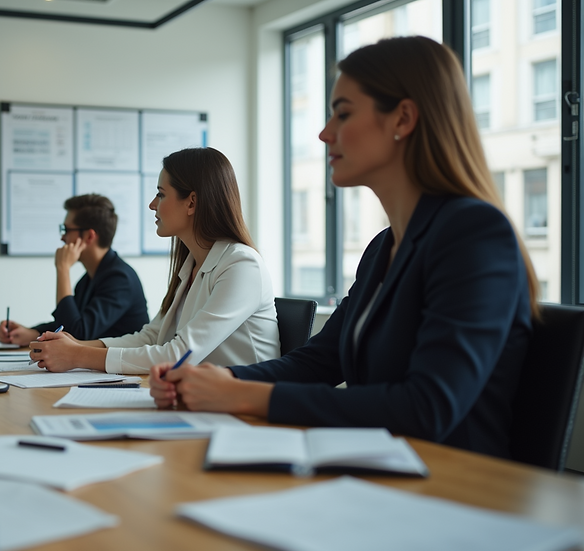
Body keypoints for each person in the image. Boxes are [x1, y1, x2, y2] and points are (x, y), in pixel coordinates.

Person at [149, 36, 538, 460]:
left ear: (403, 118)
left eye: (343, 113)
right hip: (378, 469)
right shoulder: (383, 248)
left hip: (456, 489)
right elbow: (317, 362)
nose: (324, 133)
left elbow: (427, 407)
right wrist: (212, 380)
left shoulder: (474, 234)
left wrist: (243, 396)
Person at [29, 148, 280, 375]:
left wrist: (78, 355)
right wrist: (75, 346)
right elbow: (152, 337)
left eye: (161, 194)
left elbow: (178, 355)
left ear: (191, 202)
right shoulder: (192, 264)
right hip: (198, 399)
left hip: (244, 410)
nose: (152, 205)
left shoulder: (241, 266)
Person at [0, 194, 149, 345]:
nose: (62, 238)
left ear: (89, 236)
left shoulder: (120, 279)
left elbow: (77, 334)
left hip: (126, 370)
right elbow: (68, 323)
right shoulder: (89, 279)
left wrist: (63, 269)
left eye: (66, 230)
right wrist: (31, 333)